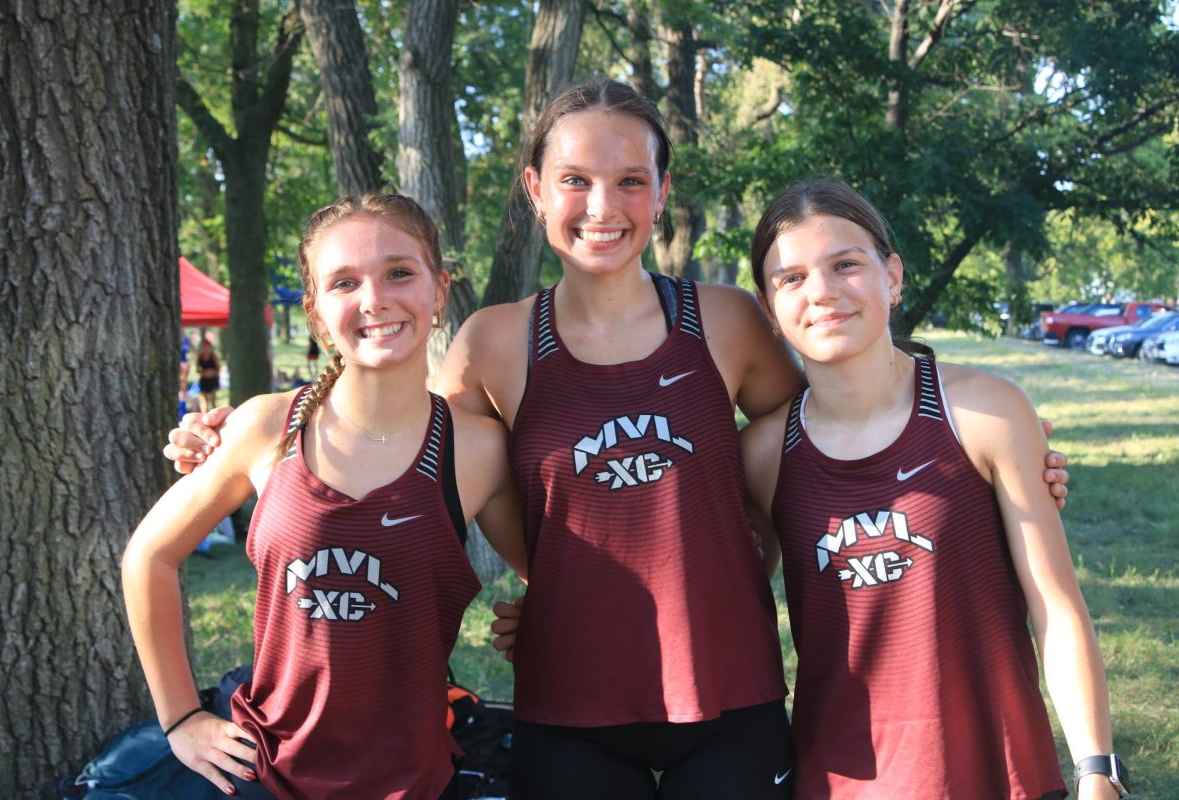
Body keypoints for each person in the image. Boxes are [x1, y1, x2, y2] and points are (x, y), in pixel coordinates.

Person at [163, 81, 1070, 800]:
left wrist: (993, 466)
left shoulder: (727, 322)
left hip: (732, 698)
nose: (604, 205)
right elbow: (403, 446)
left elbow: (843, 432)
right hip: (569, 705)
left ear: (662, 192)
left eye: (632, 180)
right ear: (534, 191)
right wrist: (236, 437)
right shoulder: (492, 343)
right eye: (575, 181)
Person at [123, 194, 527, 800]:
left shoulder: (478, 450)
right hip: (268, 773)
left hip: (416, 779)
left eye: (399, 272)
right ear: (315, 311)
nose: (375, 300)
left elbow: (557, 575)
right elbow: (148, 556)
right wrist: (181, 717)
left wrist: (541, 622)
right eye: (344, 282)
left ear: (438, 290)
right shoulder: (266, 428)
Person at [740, 179, 1121, 799]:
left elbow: (1056, 605)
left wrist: (1096, 769)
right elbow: (717, 597)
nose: (823, 293)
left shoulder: (985, 412)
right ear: (768, 307)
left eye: (845, 265)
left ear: (892, 276)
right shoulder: (761, 454)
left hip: (1000, 774)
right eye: (792, 278)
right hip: (839, 781)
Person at [196, 337, 221, 413]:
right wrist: (203, 372)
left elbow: (218, 369)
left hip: (212, 380)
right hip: (204, 380)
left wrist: (212, 372)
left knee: (213, 402)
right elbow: (197, 370)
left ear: (210, 347)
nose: (205, 349)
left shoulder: (213, 357)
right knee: (204, 403)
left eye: (207, 347)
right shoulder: (200, 357)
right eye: (204, 347)